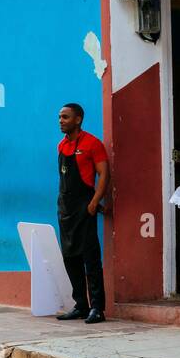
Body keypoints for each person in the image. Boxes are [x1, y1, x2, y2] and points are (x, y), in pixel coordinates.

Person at [55, 102, 110, 324]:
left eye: (65, 117)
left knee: (91, 259)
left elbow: (104, 174)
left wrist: (95, 201)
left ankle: (97, 308)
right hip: (66, 208)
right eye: (60, 117)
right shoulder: (61, 146)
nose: (61, 121)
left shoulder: (92, 144)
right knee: (70, 258)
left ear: (78, 119)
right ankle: (81, 304)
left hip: (85, 207)